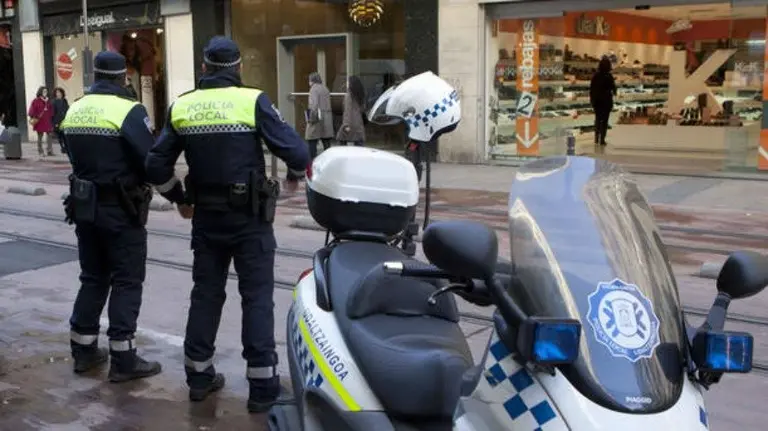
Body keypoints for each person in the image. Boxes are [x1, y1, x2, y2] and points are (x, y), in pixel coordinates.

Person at [145, 36, 309, 413]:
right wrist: (294, 176)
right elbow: (297, 151)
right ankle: (262, 387)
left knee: (206, 294)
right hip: (249, 219)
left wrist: (179, 199)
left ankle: (199, 378)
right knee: (256, 298)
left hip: (206, 219)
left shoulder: (183, 105)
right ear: (238, 68)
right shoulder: (252, 100)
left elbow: (155, 166)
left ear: (203, 68)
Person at [59, 51, 161, 383]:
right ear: (121, 77)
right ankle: (123, 358)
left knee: (93, 277)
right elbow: (150, 159)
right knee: (127, 281)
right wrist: (178, 194)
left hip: (84, 206)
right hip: (121, 209)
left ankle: (84, 352)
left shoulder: (75, 108)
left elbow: (67, 148)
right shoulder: (128, 110)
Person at [305, 71, 334, 160]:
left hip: (317, 119)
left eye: (309, 80)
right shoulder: (325, 88)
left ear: (312, 80)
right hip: (327, 119)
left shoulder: (313, 89)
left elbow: (314, 105)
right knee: (326, 142)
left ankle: (312, 161)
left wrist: (310, 119)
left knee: (311, 140)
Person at [589, 56, 617, 148]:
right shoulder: (609, 76)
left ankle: (596, 138)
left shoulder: (595, 76)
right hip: (606, 101)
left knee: (597, 119)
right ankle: (602, 140)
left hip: (597, 101)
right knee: (604, 121)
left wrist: (592, 100)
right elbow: (613, 88)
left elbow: (591, 89)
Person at [336, 75, 366, 147]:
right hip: (358, 123)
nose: (346, 83)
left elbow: (347, 111)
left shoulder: (348, 95)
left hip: (350, 122)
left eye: (348, 82)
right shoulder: (360, 95)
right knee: (359, 144)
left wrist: (346, 125)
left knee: (341, 140)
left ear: (351, 84)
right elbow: (363, 109)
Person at [28, 86, 55, 156]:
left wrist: (52, 117)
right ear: (40, 92)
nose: (45, 93)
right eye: (43, 91)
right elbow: (32, 111)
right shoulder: (36, 100)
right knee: (40, 137)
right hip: (39, 121)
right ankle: (40, 151)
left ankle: (49, 150)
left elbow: (51, 111)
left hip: (47, 121)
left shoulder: (49, 101)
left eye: (46, 91)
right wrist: (33, 117)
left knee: (50, 135)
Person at [52, 87, 69, 154]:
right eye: (57, 93)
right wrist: (54, 122)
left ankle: (66, 147)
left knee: (65, 135)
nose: (59, 94)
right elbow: (53, 113)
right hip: (57, 121)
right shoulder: (54, 102)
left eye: (60, 92)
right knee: (60, 136)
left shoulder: (64, 100)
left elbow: (67, 109)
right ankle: (62, 147)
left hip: (65, 120)